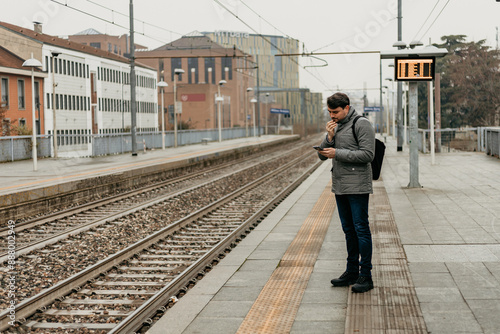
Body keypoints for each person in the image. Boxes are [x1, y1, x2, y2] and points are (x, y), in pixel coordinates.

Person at [316, 92, 375, 293]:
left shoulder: (361, 124)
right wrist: (329, 138)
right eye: (330, 112)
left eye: (336, 112)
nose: (332, 116)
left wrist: (337, 153)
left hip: (358, 186)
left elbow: (368, 154)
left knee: (361, 229)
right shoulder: (336, 126)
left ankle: (365, 275)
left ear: (346, 108)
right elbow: (322, 157)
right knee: (348, 230)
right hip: (340, 185)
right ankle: (351, 271)